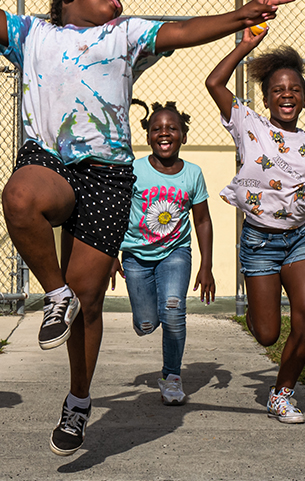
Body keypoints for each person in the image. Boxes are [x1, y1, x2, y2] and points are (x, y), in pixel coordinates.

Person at [0, 0, 294, 455]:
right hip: (48, 161)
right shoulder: (32, 35)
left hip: (107, 176)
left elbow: (186, 30)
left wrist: (242, 14)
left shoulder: (126, 35)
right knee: (21, 197)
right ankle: (55, 294)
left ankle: (77, 401)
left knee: (91, 302)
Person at [205, 29, 305, 424]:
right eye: (278, 90)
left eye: (294, 89)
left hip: (298, 241)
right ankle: (258, 306)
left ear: (303, 96)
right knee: (268, 334)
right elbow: (213, 82)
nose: (287, 95)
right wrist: (246, 46)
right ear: (266, 97)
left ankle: (282, 393)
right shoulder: (249, 125)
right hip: (259, 243)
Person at [110, 99, 214, 407]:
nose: (164, 133)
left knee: (173, 310)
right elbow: (116, 213)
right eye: (157, 128)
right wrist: (109, 255)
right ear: (147, 135)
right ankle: (144, 318)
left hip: (175, 253)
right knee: (146, 325)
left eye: (172, 128)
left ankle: (172, 377)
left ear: (183, 135)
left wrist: (206, 266)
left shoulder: (193, 174)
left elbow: (203, 220)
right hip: (136, 257)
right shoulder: (133, 170)